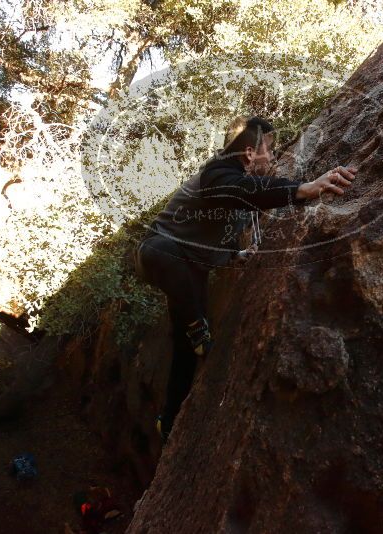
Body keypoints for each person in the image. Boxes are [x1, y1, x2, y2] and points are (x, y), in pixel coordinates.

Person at [133, 115, 357, 442]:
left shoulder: (244, 204)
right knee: (168, 266)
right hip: (157, 254)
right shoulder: (217, 172)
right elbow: (240, 190)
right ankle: (197, 326)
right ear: (250, 153)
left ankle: (168, 422)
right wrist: (301, 189)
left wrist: (236, 256)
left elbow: (225, 227)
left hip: (191, 270)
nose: (274, 157)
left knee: (186, 350)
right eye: (270, 149)